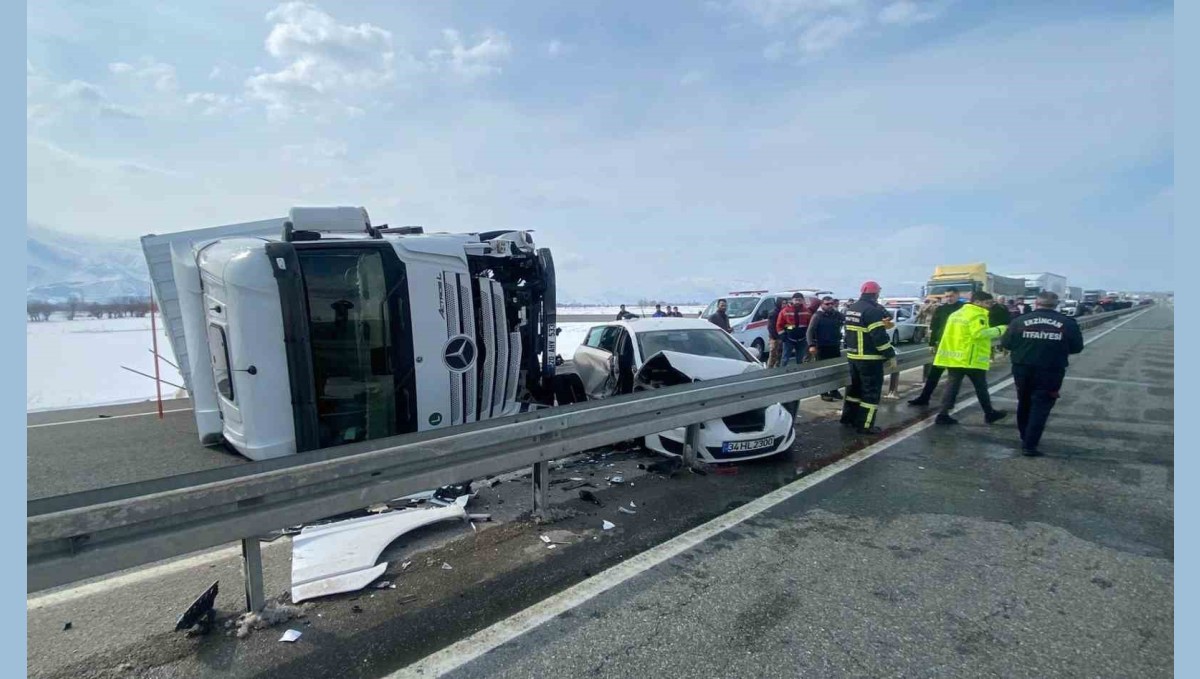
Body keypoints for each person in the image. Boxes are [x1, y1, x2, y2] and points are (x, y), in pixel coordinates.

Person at [1001, 291, 1084, 455]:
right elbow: (1077, 347)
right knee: (1041, 405)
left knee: (1024, 401)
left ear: (1036, 303)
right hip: (1051, 370)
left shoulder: (1019, 321)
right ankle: (1030, 445)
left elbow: (1007, 343)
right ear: (1056, 304)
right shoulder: (1067, 323)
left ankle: (1025, 436)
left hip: (1022, 368)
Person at [932, 291, 1008, 426]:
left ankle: (943, 414)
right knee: (981, 387)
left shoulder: (956, 314)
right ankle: (989, 413)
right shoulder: (978, 314)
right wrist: (1000, 329)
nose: (989, 306)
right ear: (977, 302)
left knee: (952, 386)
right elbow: (978, 334)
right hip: (971, 358)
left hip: (955, 357)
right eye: (987, 303)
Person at [841, 282, 896, 434]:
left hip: (853, 357)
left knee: (855, 391)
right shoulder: (872, 311)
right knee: (870, 394)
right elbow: (879, 337)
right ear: (876, 294)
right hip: (870, 359)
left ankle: (848, 419)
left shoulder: (852, 308)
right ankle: (865, 425)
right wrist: (890, 355)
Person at [907, 288, 964, 406]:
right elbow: (934, 326)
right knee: (934, 374)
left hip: (958, 347)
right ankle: (924, 398)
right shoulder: (941, 309)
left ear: (957, 295)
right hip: (942, 346)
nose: (949, 298)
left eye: (951, 296)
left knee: (955, 377)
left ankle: (949, 402)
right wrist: (932, 343)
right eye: (947, 296)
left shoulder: (963, 308)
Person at [807, 296, 844, 400]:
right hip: (821, 347)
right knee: (823, 371)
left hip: (834, 345)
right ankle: (824, 393)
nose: (830, 306)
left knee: (835, 370)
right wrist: (811, 345)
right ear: (822, 305)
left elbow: (848, 319)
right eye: (827, 304)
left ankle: (834, 391)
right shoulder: (817, 316)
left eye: (831, 303)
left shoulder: (837, 315)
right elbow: (809, 331)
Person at [775, 293, 808, 367]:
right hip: (789, 339)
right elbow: (779, 325)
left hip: (802, 339)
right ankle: (782, 374)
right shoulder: (785, 311)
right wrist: (782, 335)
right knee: (785, 359)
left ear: (802, 300)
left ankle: (799, 374)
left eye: (799, 300)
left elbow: (809, 325)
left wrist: (808, 336)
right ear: (792, 300)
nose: (797, 302)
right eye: (796, 300)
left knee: (800, 359)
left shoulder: (807, 311)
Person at [766, 297, 784, 368]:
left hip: (781, 337)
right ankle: (769, 370)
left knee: (779, 355)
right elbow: (771, 327)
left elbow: (786, 326)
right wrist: (775, 337)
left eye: (785, 303)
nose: (784, 305)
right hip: (775, 338)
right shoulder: (774, 313)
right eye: (783, 303)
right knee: (773, 355)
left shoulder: (783, 312)